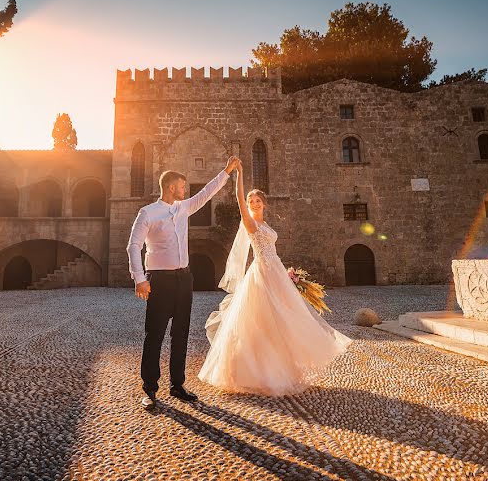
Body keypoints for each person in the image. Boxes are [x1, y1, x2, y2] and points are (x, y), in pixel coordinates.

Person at [198, 160, 351, 396]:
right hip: (261, 273)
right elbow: (239, 200)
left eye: (257, 201)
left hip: (276, 271)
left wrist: (287, 274)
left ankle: (283, 369)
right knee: (261, 322)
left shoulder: (265, 224)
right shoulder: (249, 223)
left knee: (283, 321)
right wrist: (239, 173)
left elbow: (272, 248)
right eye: (251, 201)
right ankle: (256, 372)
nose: (254, 203)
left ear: (264, 204)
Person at [127, 156, 241, 410]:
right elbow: (133, 246)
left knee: (181, 333)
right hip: (159, 279)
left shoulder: (183, 208)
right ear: (170, 187)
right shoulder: (147, 213)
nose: (185, 190)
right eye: (181, 186)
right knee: (154, 334)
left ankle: (177, 385)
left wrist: (227, 171)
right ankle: (150, 389)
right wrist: (140, 279)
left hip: (184, 278)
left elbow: (206, 193)